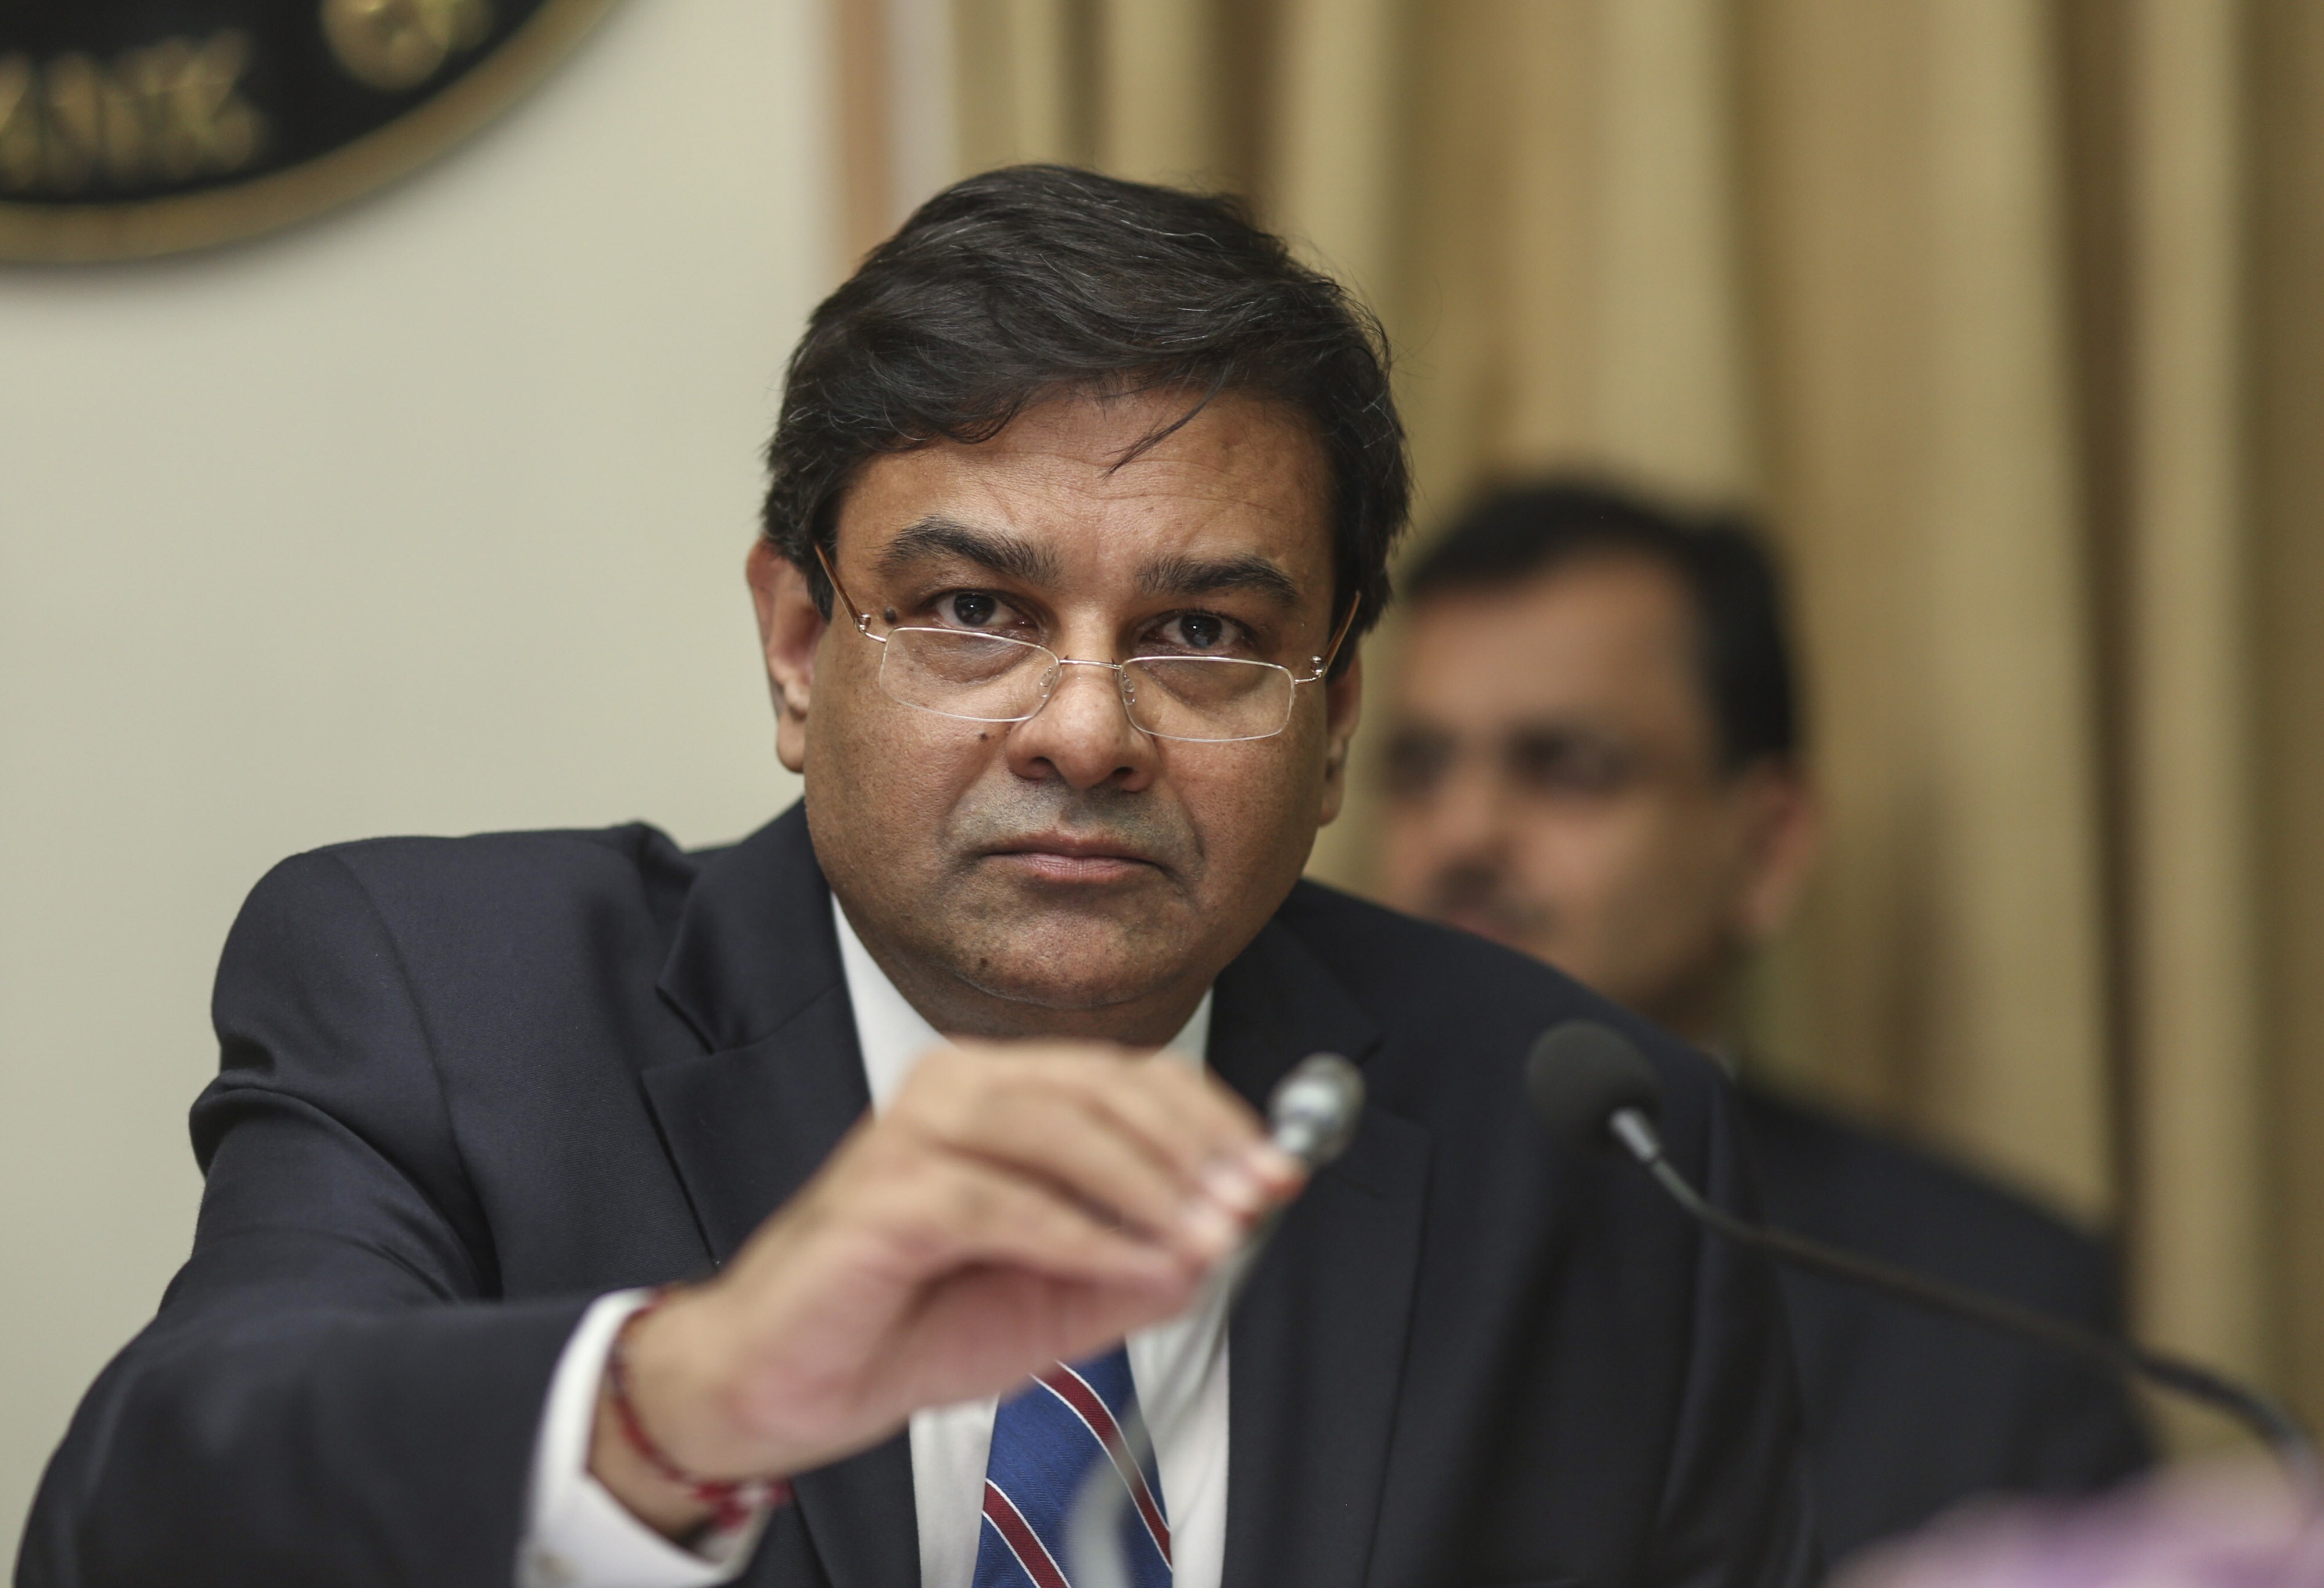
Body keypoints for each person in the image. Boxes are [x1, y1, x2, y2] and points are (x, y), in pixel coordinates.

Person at [19, 172, 1814, 1588]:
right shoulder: (452, 1010)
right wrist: (690, 1394)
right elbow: (143, 1524)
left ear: (1334, 717)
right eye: (974, 610)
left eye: (1204, 633)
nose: (1087, 730)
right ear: (800, 647)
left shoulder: (1587, 1145)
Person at [1375, 481, 2154, 1566]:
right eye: (1419, 769)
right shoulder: (1243, 1217)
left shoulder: (1996, 1308)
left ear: (1767, 847)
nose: (1463, 831)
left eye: (1565, 768)